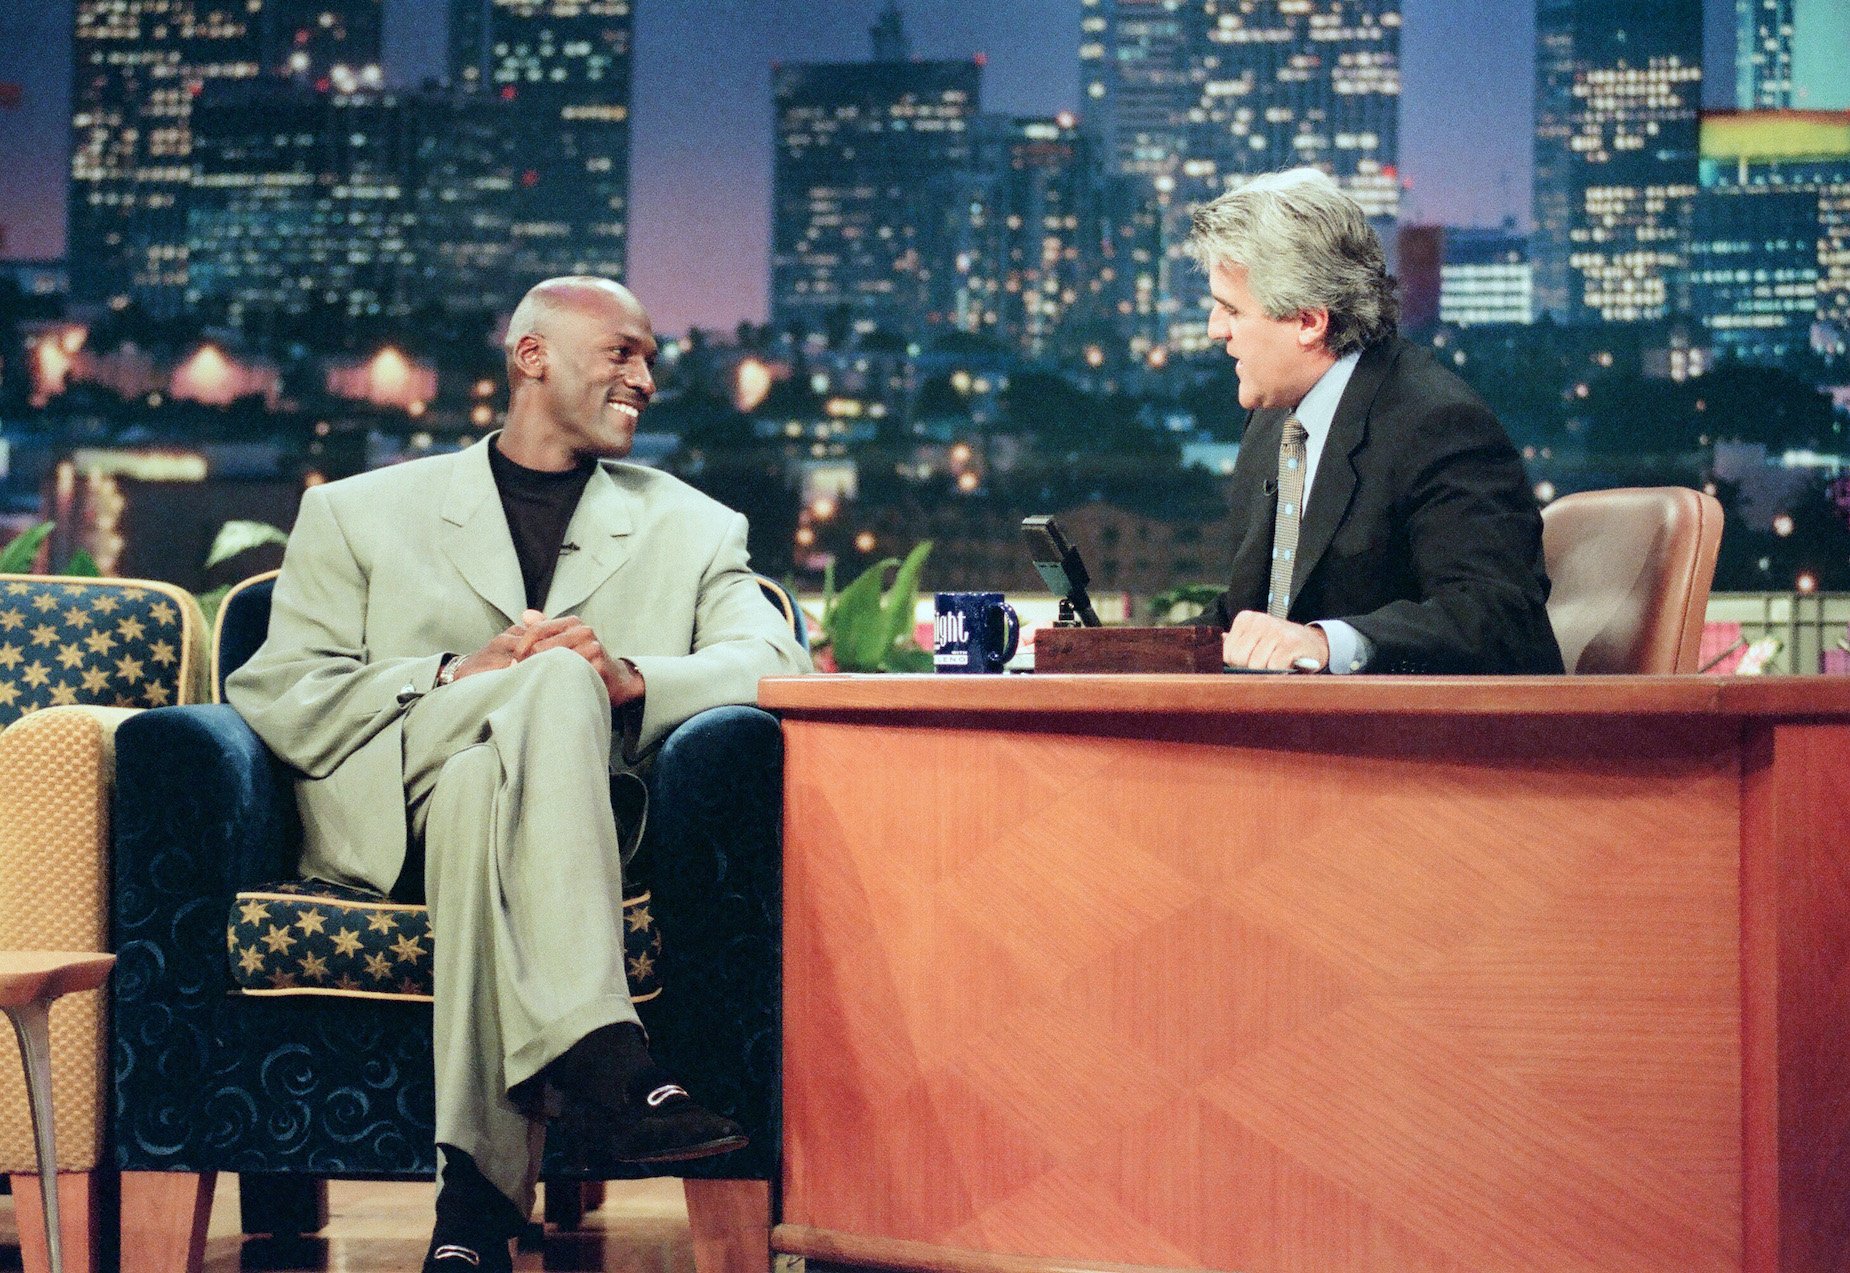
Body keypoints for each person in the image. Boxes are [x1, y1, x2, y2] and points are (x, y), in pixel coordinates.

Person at [226, 276, 811, 1270]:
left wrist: (626, 678)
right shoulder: (358, 514)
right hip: (386, 815)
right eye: (622, 352)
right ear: (532, 357)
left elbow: (773, 667)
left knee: (490, 784)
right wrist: (459, 672)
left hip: (562, 826)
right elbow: (282, 690)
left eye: (652, 358)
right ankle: (605, 1055)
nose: (647, 377)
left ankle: (477, 1211)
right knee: (538, 688)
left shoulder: (697, 526)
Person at [1183, 169, 1564, 674]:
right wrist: (1092, 651)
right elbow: (1248, 619)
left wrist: (1326, 645)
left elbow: (1500, 619)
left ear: (1309, 321)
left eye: (1230, 309)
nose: (1215, 330)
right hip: (1282, 732)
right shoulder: (1273, 426)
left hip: (1409, 744)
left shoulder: (1438, 425)